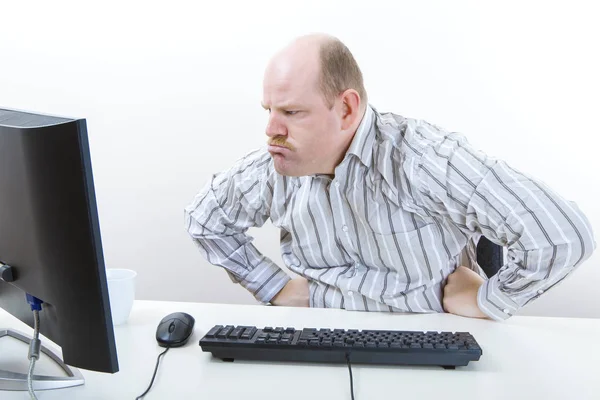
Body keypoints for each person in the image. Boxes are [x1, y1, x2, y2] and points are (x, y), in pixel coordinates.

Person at [184, 33, 596, 321]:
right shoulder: (278, 166)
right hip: (322, 332)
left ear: (346, 109)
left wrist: (489, 301)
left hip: (429, 332)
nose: (272, 129)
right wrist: (273, 286)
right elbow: (205, 219)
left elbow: (563, 235)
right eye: (268, 110)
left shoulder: (423, 159)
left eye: (291, 112)